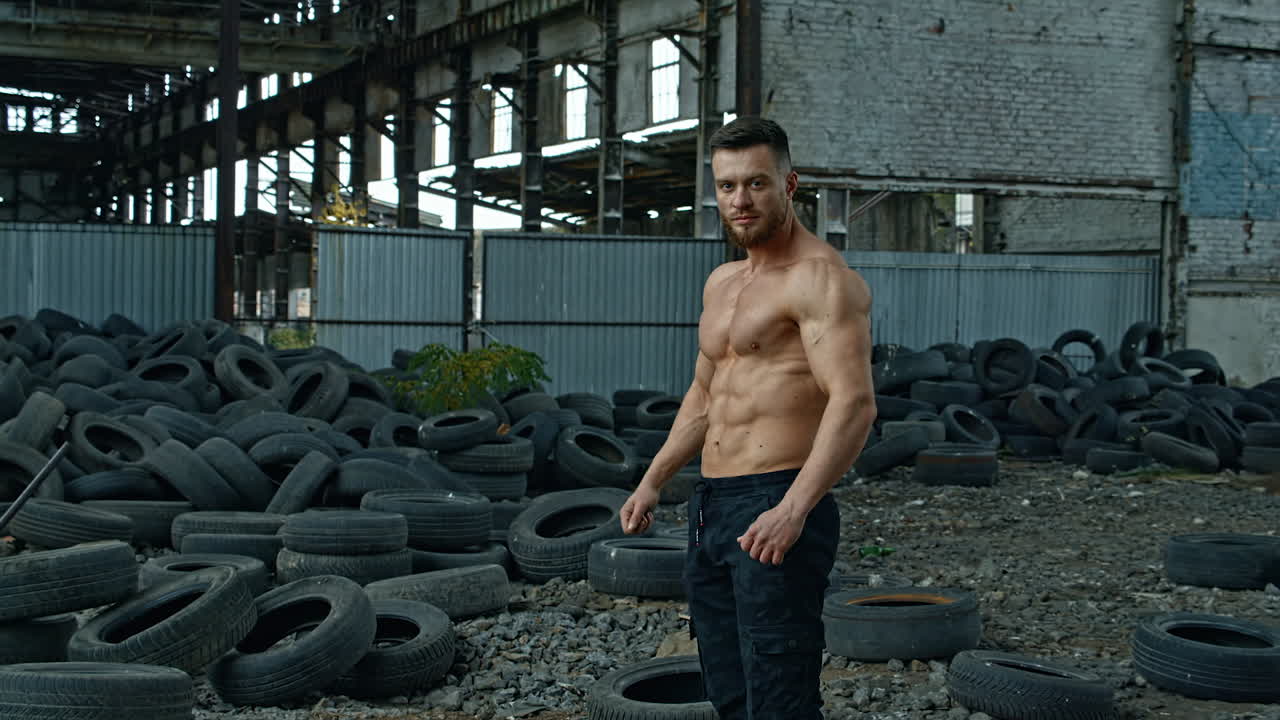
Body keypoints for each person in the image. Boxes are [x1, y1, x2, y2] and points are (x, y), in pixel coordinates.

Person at [619, 116, 877, 720]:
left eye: (756, 184)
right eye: (728, 186)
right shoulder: (724, 282)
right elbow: (705, 393)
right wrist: (654, 478)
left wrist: (794, 509)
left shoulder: (822, 279)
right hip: (712, 503)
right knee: (728, 687)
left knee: (779, 694)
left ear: (790, 184)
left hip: (776, 496)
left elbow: (855, 403)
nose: (740, 200)